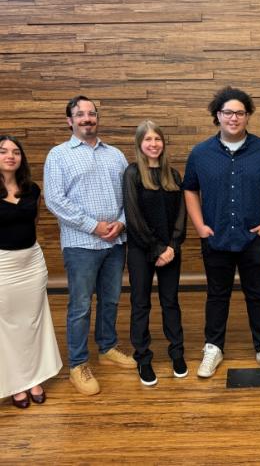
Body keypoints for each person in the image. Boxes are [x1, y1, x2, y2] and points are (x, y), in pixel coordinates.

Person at [183, 86, 260, 378]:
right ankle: (213, 348)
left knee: (257, 293)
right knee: (217, 295)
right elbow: (190, 189)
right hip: (216, 237)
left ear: (248, 116)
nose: (234, 118)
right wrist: (200, 225)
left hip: (255, 236)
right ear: (218, 115)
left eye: (240, 113)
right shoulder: (201, 153)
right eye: (228, 112)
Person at [44, 96, 135, 396]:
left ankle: (107, 347)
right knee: (80, 306)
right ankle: (78, 364)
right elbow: (55, 200)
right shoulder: (58, 155)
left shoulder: (116, 155)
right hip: (81, 243)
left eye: (91, 114)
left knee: (110, 300)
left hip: (115, 241)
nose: (87, 118)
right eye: (79, 114)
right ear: (69, 120)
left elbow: (129, 196)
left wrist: (120, 223)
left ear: (97, 118)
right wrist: (93, 226)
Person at [123, 120, 187, 386]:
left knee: (170, 302)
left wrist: (172, 245)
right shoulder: (133, 174)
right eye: (147, 140)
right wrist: (157, 249)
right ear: (140, 144)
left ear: (163, 143)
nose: (153, 144)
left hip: (171, 251)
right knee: (141, 304)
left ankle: (177, 353)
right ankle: (143, 358)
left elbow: (182, 215)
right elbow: (134, 217)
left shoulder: (172, 175)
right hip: (142, 250)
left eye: (157, 139)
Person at [0, 135, 62, 408]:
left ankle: (36, 377)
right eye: (3, 152)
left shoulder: (32, 189)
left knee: (33, 322)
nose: (10, 156)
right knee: (9, 327)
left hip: (32, 263)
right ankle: (16, 384)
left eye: (15, 152)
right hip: (4, 265)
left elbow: (33, 221)